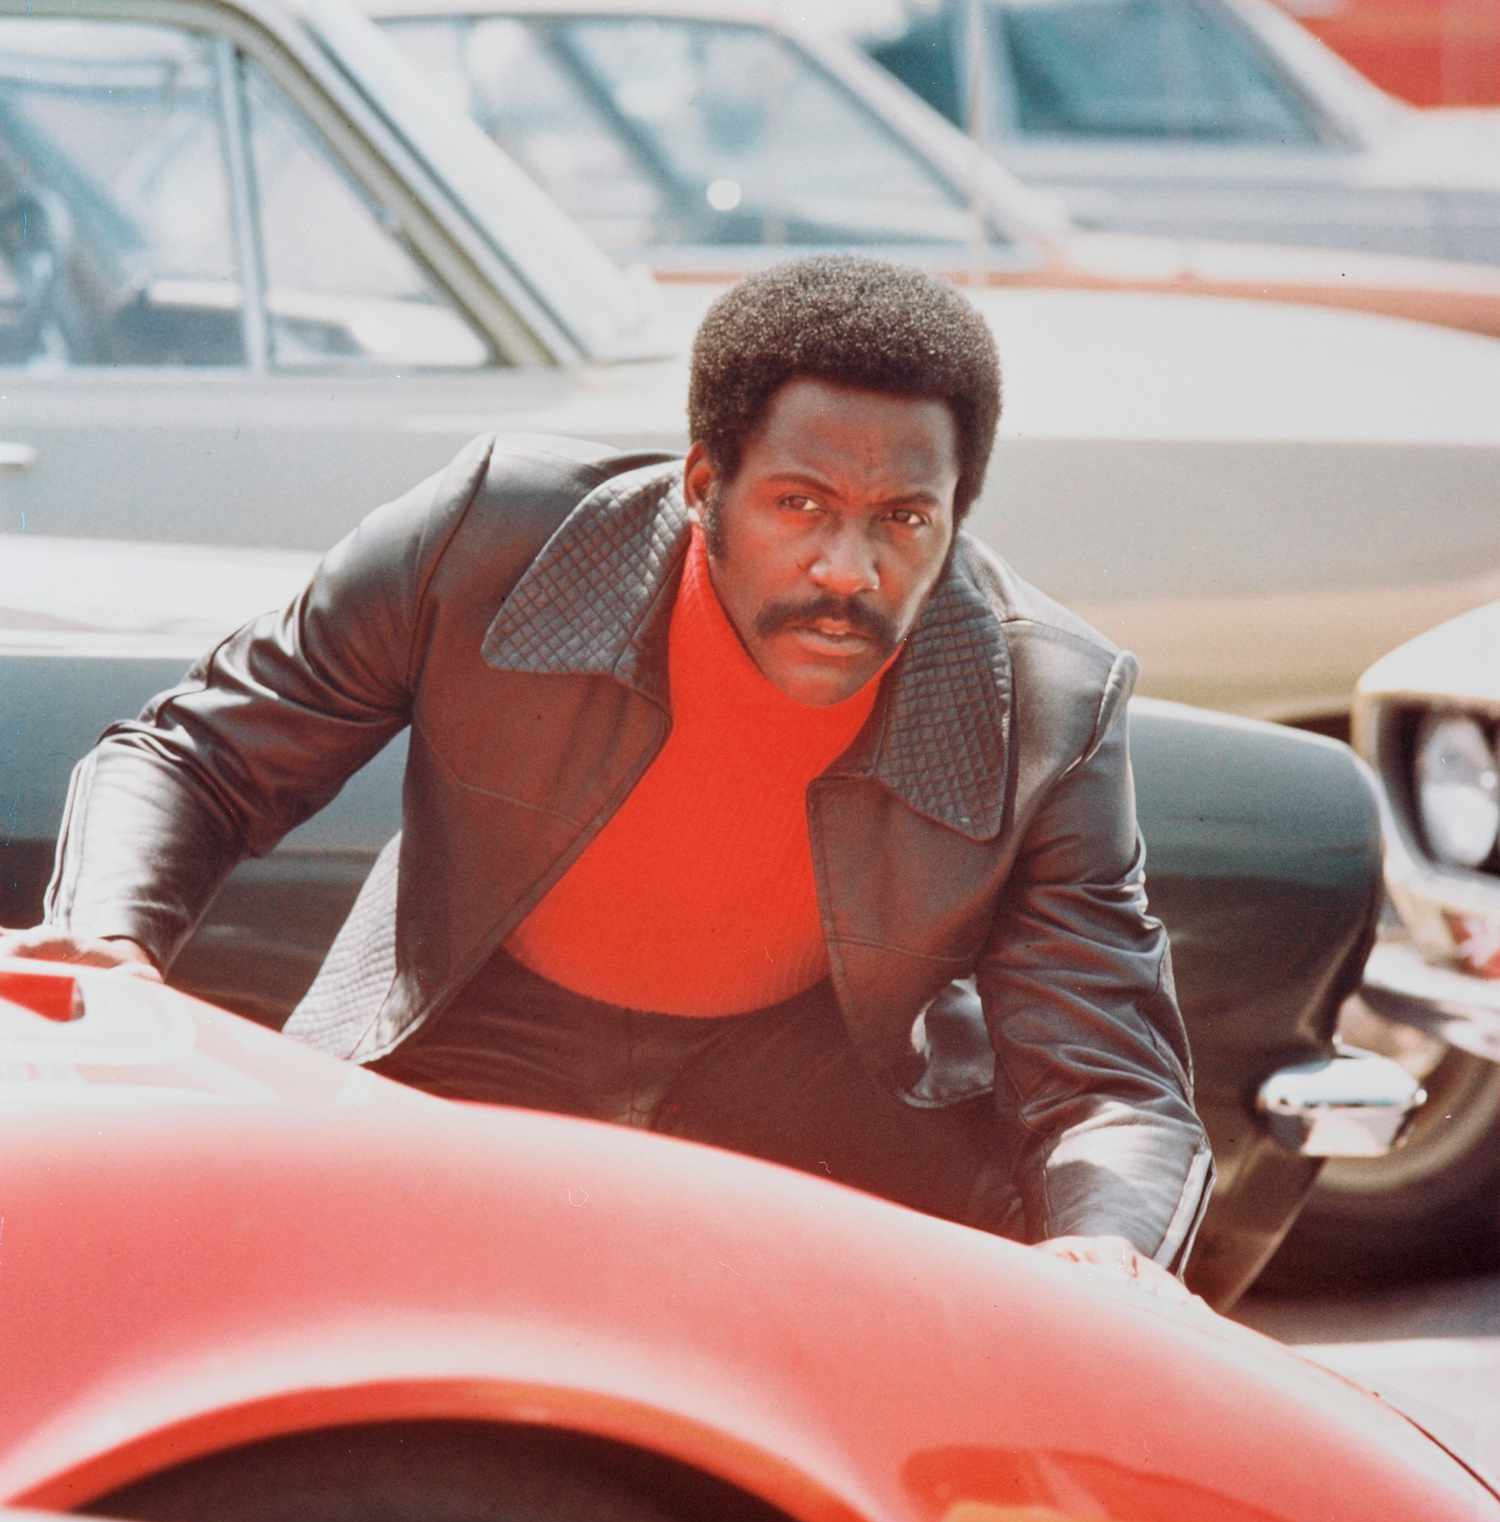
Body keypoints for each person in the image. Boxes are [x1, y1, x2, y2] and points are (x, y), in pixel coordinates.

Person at [7, 256, 1212, 1280]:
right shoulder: (489, 537)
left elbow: (1109, 1087)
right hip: (466, 1035)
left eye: (905, 519)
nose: (850, 569)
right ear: (704, 487)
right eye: (800, 504)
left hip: (810, 1092)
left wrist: (1108, 1261)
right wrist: (107, 943)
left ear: (959, 513)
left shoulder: (1049, 703)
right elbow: (203, 755)